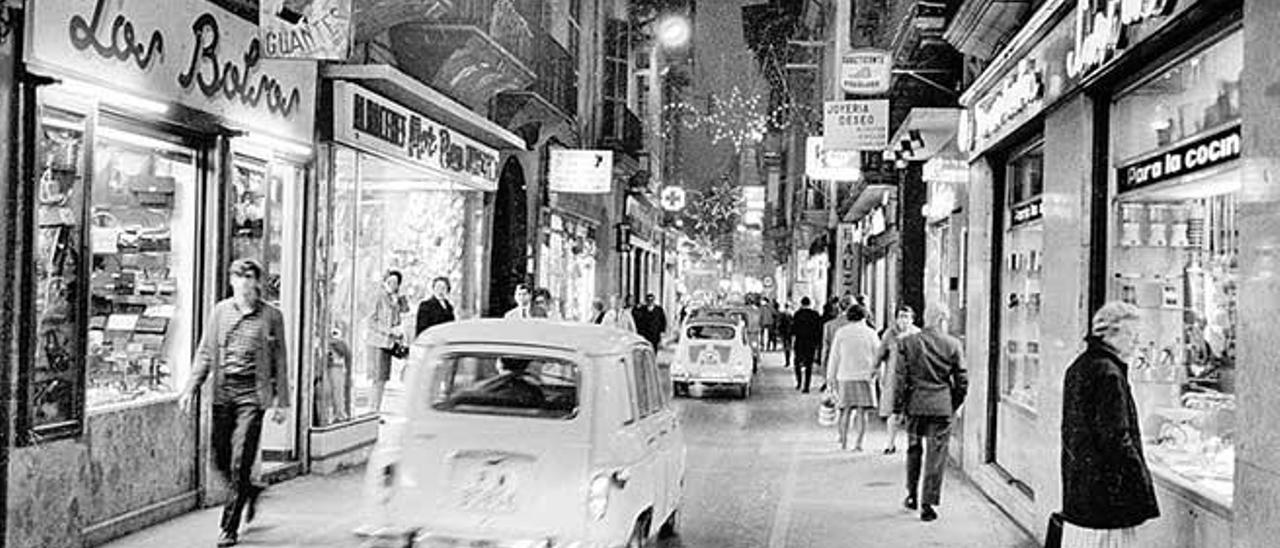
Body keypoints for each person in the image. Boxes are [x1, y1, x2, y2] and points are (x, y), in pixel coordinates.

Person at [178, 258, 289, 547]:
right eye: (237, 277)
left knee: (241, 461)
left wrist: (282, 403)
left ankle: (229, 527)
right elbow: (205, 352)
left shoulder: (271, 316)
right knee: (220, 459)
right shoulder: (220, 312)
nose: (242, 283)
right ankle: (249, 491)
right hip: (224, 393)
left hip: (253, 396)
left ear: (256, 282)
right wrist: (191, 387)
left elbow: (280, 360)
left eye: (248, 277)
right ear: (231, 281)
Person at [1060, 301, 1158, 545]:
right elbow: (1116, 438)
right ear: (1109, 334)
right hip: (1106, 500)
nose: (1137, 342)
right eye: (1132, 334)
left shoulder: (1081, 365)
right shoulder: (1109, 374)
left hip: (1083, 493)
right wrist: (1141, 483)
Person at [893, 304, 967, 522]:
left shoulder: (907, 342)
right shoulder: (953, 344)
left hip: (915, 405)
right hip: (941, 406)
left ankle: (911, 495)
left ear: (925, 318)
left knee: (914, 449)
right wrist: (952, 403)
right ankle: (928, 504)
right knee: (936, 455)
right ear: (942, 319)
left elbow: (900, 379)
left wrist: (899, 407)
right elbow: (962, 380)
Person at [826, 304, 881, 451]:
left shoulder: (841, 333)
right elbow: (878, 356)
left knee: (845, 411)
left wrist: (830, 377)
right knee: (862, 413)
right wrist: (878, 375)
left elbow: (834, 356)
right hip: (865, 377)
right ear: (864, 316)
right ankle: (858, 444)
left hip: (845, 376)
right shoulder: (871, 333)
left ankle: (843, 443)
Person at [874, 305, 920, 454]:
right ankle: (890, 444)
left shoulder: (917, 334)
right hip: (894, 379)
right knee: (894, 413)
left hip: (914, 379)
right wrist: (874, 369)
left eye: (907, 316)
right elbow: (880, 353)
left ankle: (912, 445)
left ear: (912, 319)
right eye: (901, 316)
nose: (903, 320)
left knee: (912, 414)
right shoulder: (890, 334)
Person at [366, 269, 409, 414]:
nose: (393, 285)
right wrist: (389, 330)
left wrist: (400, 298)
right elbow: (371, 321)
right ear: (384, 281)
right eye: (390, 281)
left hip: (389, 343)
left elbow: (405, 310)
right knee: (377, 379)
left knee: (383, 378)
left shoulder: (394, 298)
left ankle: (376, 410)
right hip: (377, 342)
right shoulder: (378, 296)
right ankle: (372, 410)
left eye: (396, 282)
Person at [790, 297, 823, 392]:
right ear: (810, 304)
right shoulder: (815, 314)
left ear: (801, 303)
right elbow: (818, 330)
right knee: (809, 365)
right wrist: (817, 343)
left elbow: (793, 329)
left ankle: (799, 382)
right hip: (811, 343)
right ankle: (806, 386)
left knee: (797, 362)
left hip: (800, 342)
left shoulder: (797, 314)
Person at [821, 295, 854, 382]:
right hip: (854, 369)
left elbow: (826, 350)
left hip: (836, 367)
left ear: (839, 308)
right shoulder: (861, 328)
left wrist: (825, 370)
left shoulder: (829, 326)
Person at [776, 303, 793, 367]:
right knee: (788, 346)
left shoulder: (783, 314)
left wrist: (779, 331)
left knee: (786, 346)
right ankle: (788, 360)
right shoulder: (791, 314)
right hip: (790, 333)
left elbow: (779, 323)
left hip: (784, 333)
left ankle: (787, 361)